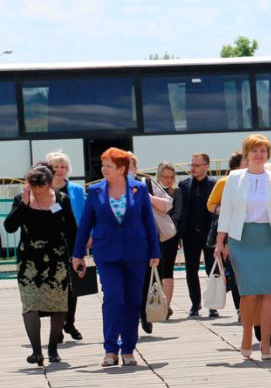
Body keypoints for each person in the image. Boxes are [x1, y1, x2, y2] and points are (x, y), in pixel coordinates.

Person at [71, 148, 161, 367]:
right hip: (107, 253)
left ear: (122, 169)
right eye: (103, 165)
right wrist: (78, 254)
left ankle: (128, 349)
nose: (104, 170)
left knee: (132, 300)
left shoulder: (138, 189)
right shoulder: (95, 191)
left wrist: (154, 252)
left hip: (136, 253)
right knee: (113, 298)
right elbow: (85, 224)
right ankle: (110, 349)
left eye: (108, 166)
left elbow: (149, 221)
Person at [215, 135, 271, 361]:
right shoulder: (235, 177)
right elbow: (227, 210)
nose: (259, 155)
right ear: (246, 154)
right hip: (242, 239)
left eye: (263, 151)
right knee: (249, 292)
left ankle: (266, 341)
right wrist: (220, 241)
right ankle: (247, 333)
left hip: (269, 239)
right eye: (254, 151)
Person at [6, 164, 78, 366]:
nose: (38, 191)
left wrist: (77, 257)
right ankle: (37, 351)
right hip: (29, 263)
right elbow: (9, 227)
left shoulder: (61, 200)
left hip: (56, 261)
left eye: (42, 187)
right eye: (34, 187)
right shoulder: (22, 200)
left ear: (50, 184)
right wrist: (25, 204)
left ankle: (53, 348)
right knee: (30, 304)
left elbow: (72, 230)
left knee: (59, 305)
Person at [129, 154, 174, 334]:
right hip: (125, 242)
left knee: (151, 279)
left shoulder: (145, 183)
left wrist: (147, 196)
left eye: (131, 166)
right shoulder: (112, 187)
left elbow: (167, 204)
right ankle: (135, 315)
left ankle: (145, 314)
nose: (127, 170)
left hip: (149, 239)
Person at [45, 151, 86, 341]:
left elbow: (86, 214)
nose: (60, 170)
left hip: (73, 241)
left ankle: (70, 322)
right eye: (56, 167)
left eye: (63, 166)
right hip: (50, 244)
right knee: (55, 286)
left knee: (73, 284)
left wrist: (90, 236)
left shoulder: (76, 190)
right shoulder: (43, 189)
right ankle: (57, 326)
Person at [178, 153, 217, 318]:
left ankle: (213, 305)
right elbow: (181, 211)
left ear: (206, 167)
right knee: (191, 271)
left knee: (212, 270)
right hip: (190, 235)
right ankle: (195, 303)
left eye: (196, 165)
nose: (192, 168)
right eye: (191, 165)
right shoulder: (184, 185)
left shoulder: (214, 185)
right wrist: (179, 234)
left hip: (209, 234)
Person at [208, 151, 245, 314]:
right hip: (229, 231)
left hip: (249, 232)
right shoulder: (224, 182)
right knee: (235, 271)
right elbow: (210, 203)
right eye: (246, 161)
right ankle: (239, 309)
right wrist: (222, 209)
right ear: (237, 165)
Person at [152, 162, 182, 318]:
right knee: (154, 269)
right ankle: (155, 302)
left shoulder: (176, 191)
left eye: (172, 177)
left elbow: (178, 213)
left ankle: (167, 306)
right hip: (153, 235)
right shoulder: (151, 189)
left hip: (170, 235)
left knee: (168, 270)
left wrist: (165, 220)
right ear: (159, 175)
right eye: (166, 177)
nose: (169, 180)